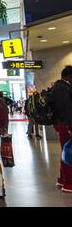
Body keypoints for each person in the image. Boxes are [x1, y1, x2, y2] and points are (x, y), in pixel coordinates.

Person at [51, 65, 72, 193]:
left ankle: (62, 179)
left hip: (62, 124)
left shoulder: (59, 87)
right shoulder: (63, 88)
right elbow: (66, 109)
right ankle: (69, 183)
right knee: (69, 153)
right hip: (65, 125)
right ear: (69, 76)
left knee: (66, 151)